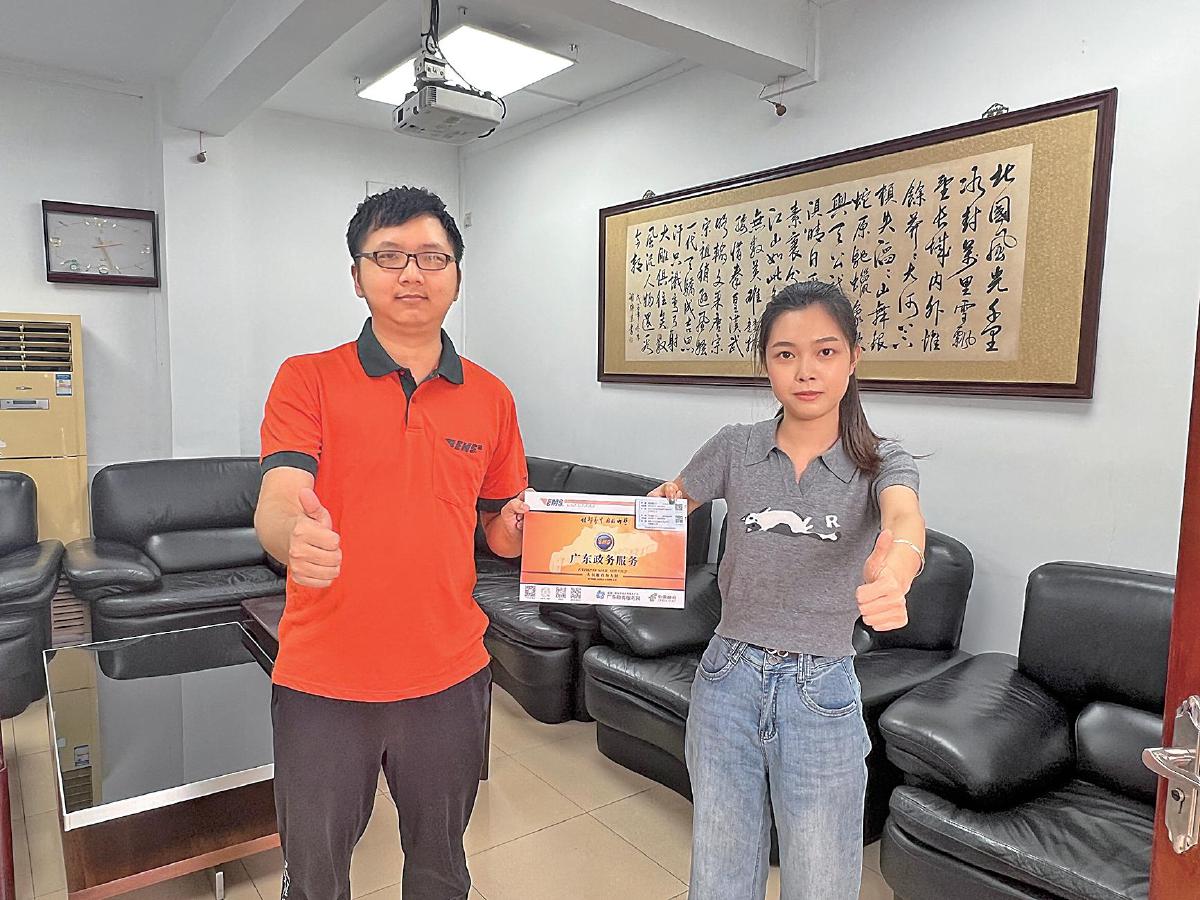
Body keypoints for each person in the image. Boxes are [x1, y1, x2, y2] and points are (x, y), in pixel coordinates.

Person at [254, 186, 528, 900]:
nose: (412, 273)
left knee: (440, 868)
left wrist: (520, 527)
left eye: (432, 257)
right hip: (324, 678)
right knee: (314, 878)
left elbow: (499, 531)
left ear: (456, 276)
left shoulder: (492, 397)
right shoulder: (307, 378)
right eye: (389, 256)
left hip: (449, 675)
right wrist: (292, 536)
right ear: (357, 276)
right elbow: (280, 495)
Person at [651, 279, 926, 899]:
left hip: (821, 689)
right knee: (720, 873)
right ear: (766, 364)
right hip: (726, 678)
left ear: (853, 359)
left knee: (821, 880)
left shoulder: (882, 461)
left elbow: (905, 518)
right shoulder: (734, 447)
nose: (806, 371)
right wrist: (566, 530)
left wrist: (897, 567)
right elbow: (663, 510)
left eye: (825, 351)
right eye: (785, 354)